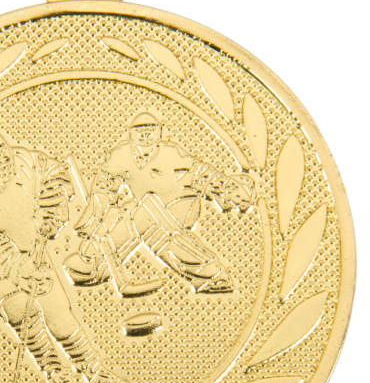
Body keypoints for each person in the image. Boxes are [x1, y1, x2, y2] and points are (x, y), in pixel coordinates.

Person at [0, 127, 133, 383]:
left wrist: (53, 202)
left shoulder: (26, 162)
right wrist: (19, 268)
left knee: (59, 311)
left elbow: (55, 172)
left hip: (34, 255)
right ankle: (53, 369)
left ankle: (94, 370)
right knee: (24, 310)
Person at [64, 112, 255, 295]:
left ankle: (213, 275)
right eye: (139, 130)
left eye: (150, 130)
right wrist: (95, 214)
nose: (145, 135)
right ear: (130, 132)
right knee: (127, 214)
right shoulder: (121, 154)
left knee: (148, 216)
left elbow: (201, 174)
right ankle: (93, 264)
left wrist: (228, 190)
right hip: (144, 205)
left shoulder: (171, 153)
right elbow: (104, 183)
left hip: (181, 204)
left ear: (160, 131)